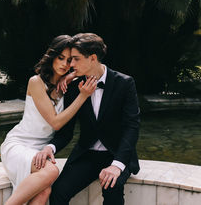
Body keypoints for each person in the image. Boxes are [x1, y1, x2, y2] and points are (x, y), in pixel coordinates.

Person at [33, 33, 140, 205]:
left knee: (112, 187)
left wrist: (117, 165)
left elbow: (131, 127)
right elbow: (66, 132)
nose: (71, 64)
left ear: (92, 58)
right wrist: (50, 147)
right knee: (58, 192)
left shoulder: (125, 83)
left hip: (116, 153)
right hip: (86, 154)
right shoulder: (74, 87)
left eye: (75, 59)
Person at [0, 35, 97, 205]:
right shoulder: (36, 82)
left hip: (40, 151)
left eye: (69, 61)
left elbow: (95, 68)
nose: (64, 64)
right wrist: (82, 97)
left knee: (45, 192)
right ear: (52, 56)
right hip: (19, 145)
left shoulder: (67, 86)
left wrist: (70, 76)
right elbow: (56, 122)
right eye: (60, 58)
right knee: (52, 171)